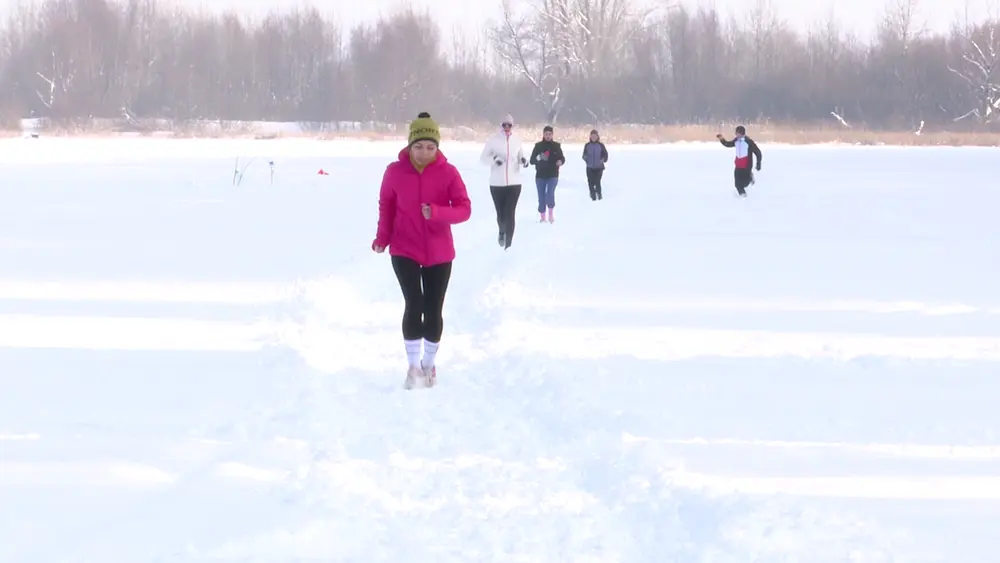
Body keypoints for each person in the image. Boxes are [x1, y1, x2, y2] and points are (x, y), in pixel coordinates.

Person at [372, 112, 472, 389]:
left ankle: (429, 365)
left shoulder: (448, 173)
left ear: (437, 147)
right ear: (409, 146)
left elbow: (465, 209)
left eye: (430, 147)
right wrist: (382, 238)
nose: (424, 153)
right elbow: (386, 207)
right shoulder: (394, 172)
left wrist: (437, 212)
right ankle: (413, 367)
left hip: (440, 252)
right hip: (404, 247)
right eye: (419, 147)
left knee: (433, 308)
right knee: (413, 304)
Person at [480, 113, 527, 249]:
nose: (507, 127)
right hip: (497, 184)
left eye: (509, 125)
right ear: (501, 126)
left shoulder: (517, 141)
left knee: (510, 212)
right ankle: (502, 230)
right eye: (504, 125)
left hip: (514, 183)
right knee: (501, 214)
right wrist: (494, 160)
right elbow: (483, 158)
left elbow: (520, 155)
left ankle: (509, 245)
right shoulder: (493, 141)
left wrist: (523, 160)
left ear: (512, 126)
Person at [529, 125, 564, 223]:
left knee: (550, 194)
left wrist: (560, 161)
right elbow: (532, 161)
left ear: (552, 135)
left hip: (553, 175)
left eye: (550, 134)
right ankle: (542, 217)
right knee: (541, 196)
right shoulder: (538, 146)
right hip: (540, 175)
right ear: (543, 135)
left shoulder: (556, 146)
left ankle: (551, 214)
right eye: (546, 134)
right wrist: (539, 157)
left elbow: (562, 158)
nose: (548, 136)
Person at [716, 125, 762, 197]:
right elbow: (728, 144)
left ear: (742, 133)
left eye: (737, 133)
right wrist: (721, 139)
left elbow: (758, 153)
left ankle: (750, 178)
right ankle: (743, 197)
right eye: (736, 133)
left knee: (744, 183)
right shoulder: (736, 141)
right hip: (738, 165)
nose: (736, 135)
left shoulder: (749, 142)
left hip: (747, 165)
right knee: (737, 184)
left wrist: (758, 163)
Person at [582, 129, 608, 200]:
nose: (593, 137)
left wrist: (603, 159)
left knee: (597, 181)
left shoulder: (601, 145)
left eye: (595, 136)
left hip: (599, 167)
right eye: (592, 136)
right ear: (590, 137)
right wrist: (585, 158)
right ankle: (593, 195)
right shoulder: (587, 145)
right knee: (590, 182)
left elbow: (605, 155)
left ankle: (599, 195)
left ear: (597, 137)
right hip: (589, 167)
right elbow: (584, 155)